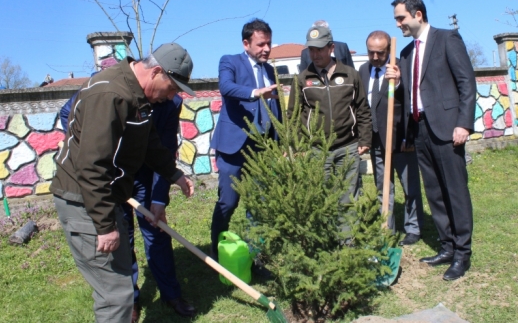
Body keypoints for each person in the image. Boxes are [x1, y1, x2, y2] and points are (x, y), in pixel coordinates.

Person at [51, 43, 197, 322]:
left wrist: (173, 174)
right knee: (116, 296)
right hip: (84, 201)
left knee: (118, 288)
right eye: (172, 88)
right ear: (156, 71)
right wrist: (104, 226)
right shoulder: (110, 94)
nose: (171, 97)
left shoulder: (137, 95)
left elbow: (149, 141)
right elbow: (92, 166)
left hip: (108, 195)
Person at [390, 0, 476, 281]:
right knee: (435, 193)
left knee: (455, 191)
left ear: (418, 14)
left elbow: (466, 82)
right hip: (420, 129)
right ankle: (447, 246)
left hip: (448, 127)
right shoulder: (405, 54)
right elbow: (408, 93)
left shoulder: (447, 39)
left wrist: (463, 123)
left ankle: (463, 253)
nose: (398, 24)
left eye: (401, 18)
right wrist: (396, 80)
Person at [209, 18, 282, 259]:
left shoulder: (270, 71)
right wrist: (256, 92)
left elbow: (275, 109)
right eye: (261, 44)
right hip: (233, 148)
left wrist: (279, 142)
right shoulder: (230, 62)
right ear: (246, 43)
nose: (267, 49)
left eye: (269, 43)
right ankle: (217, 254)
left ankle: (255, 256)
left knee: (258, 204)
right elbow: (226, 88)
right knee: (228, 203)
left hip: (261, 149)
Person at [287, 24, 371, 204]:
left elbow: (362, 108)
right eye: (311, 49)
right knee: (321, 199)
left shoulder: (351, 76)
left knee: (347, 198)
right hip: (316, 150)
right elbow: (293, 115)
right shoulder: (302, 79)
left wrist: (365, 139)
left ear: (331, 48)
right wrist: (298, 146)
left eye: (319, 49)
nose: (315, 54)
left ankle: (347, 233)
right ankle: (327, 233)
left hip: (347, 147)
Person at [357, 30, 423, 245]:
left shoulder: (401, 66)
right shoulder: (363, 71)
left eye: (380, 53)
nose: (375, 57)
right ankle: (388, 227)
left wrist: (409, 136)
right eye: (371, 52)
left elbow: (411, 100)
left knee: (410, 187)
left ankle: (413, 228)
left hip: (401, 139)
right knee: (383, 188)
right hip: (376, 140)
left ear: (388, 50)